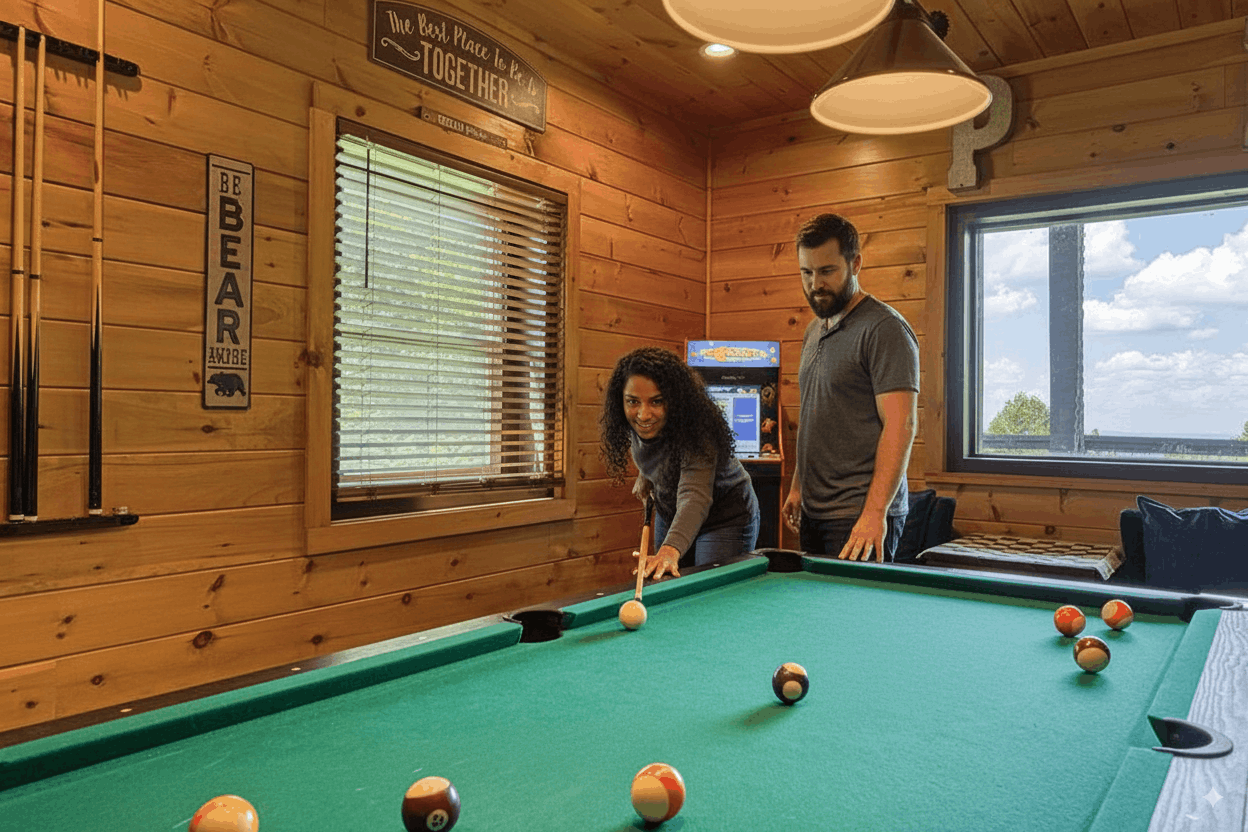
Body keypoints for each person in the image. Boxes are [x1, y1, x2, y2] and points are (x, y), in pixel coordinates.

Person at [782, 213, 919, 562]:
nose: (816, 284)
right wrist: (799, 486)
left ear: (855, 263)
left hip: (859, 516)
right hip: (815, 512)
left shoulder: (884, 329)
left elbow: (901, 426)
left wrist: (874, 514)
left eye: (827, 271)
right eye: (806, 272)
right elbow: (817, 413)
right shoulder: (814, 331)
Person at [600, 347, 760, 580]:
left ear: (675, 401)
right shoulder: (633, 423)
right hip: (672, 510)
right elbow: (660, 452)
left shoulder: (698, 431)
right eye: (633, 401)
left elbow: (695, 495)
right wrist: (647, 475)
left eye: (657, 402)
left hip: (724, 517)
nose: (643, 414)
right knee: (666, 582)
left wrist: (669, 549)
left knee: (709, 594)